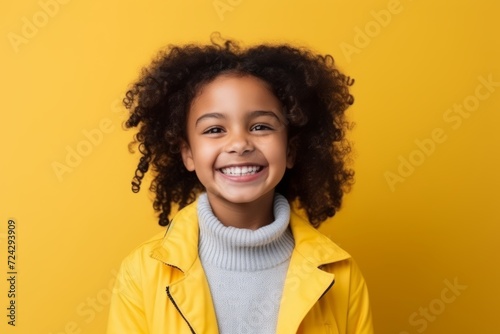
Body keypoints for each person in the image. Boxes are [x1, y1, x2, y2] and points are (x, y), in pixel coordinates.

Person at [106, 34, 374, 334]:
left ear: (290, 150)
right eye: (215, 129)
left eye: (260, 126)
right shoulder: (142, 273)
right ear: (188, 153)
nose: (239, 143)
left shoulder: (341, 274)